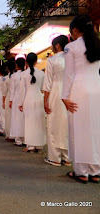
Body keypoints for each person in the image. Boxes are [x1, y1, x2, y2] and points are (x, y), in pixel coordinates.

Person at [62, 15, 100, 183]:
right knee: (95, 129)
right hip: (97, 89)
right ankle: (95, 171)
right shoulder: (98, 44)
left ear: (75, 30)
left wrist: (64, 96)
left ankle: (81, 172)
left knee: (78, 130)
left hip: (79, 90)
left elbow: (69, 74)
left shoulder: (71, 47)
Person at [43, 35, 70, 167]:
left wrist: (45, 100)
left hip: (56, 92)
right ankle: (68, 157)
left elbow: (48, 82)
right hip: (70, 93)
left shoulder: (52, 60)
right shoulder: (71, 58)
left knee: (53, 124)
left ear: (57, 45)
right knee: (66, 124)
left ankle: (55, 158)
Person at [18, 52, 46, 153]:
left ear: (26, 61)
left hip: (28, 99)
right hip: (39, 98)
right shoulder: (42, 73)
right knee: (39, 122)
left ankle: (30, 145)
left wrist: (20, 103)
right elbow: (43, 88)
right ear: (36, 61)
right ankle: (39, 145)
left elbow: (22, 90)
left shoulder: (23, 74)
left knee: (29, 122)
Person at [9, 57, 26, 146]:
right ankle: (24, 139)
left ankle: (18, 140)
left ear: (16, 65)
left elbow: (12, 89)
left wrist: (10, 100)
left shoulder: (14, 76)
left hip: (16, 98)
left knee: (16, 118)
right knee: (24, 118)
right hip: (25, 97)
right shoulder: (26, 74)